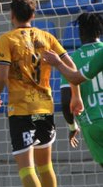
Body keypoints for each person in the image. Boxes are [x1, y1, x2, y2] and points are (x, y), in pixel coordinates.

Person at [0, 0, 74, 187]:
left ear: (11, 15)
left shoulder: (7, 39)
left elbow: (2, 76)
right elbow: (70, 67)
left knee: (27, 169)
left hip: (21, 110)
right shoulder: (47, 37)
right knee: (46, 166)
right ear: (34, 14)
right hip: (45, 109)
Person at [42, 12, 103, 168]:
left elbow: (66, 100)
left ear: (80, 32)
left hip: (93, 123)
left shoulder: (74, 59)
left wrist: (72, 126)